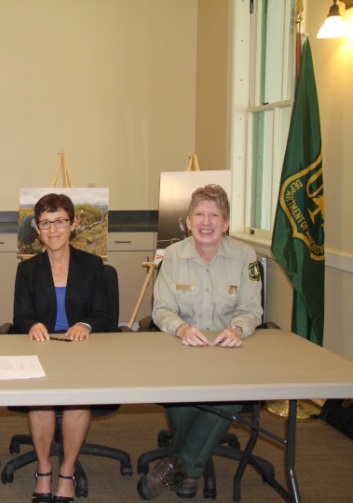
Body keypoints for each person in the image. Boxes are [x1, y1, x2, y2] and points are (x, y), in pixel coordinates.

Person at [137, 184, 263, 500]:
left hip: (229, 355)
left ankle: (180, 466)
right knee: (182, 401)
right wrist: (180, 328)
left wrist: (237, 329)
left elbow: (252, 310)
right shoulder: (174, 256)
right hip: (183, 352)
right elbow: (161, 309)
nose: (206, 222)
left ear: (226, 223)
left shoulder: (246, 256)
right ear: (188, 221)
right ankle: (191, 466)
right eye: (199, 214)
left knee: (229, 397)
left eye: (214, 215)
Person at [11, 193, 116, 503]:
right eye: (45, 223)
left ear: (73, 224)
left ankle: (66, 473)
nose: (53, 230)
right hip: (42, 350)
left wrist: (85, 325)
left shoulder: (93, 266)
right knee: (40, 400)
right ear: (37, 230)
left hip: (80, 350)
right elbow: (19, 317)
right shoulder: (27, 270)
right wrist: (32, 324)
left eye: (59, 222)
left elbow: (105, 316)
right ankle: (44, 470)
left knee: (77, 399)